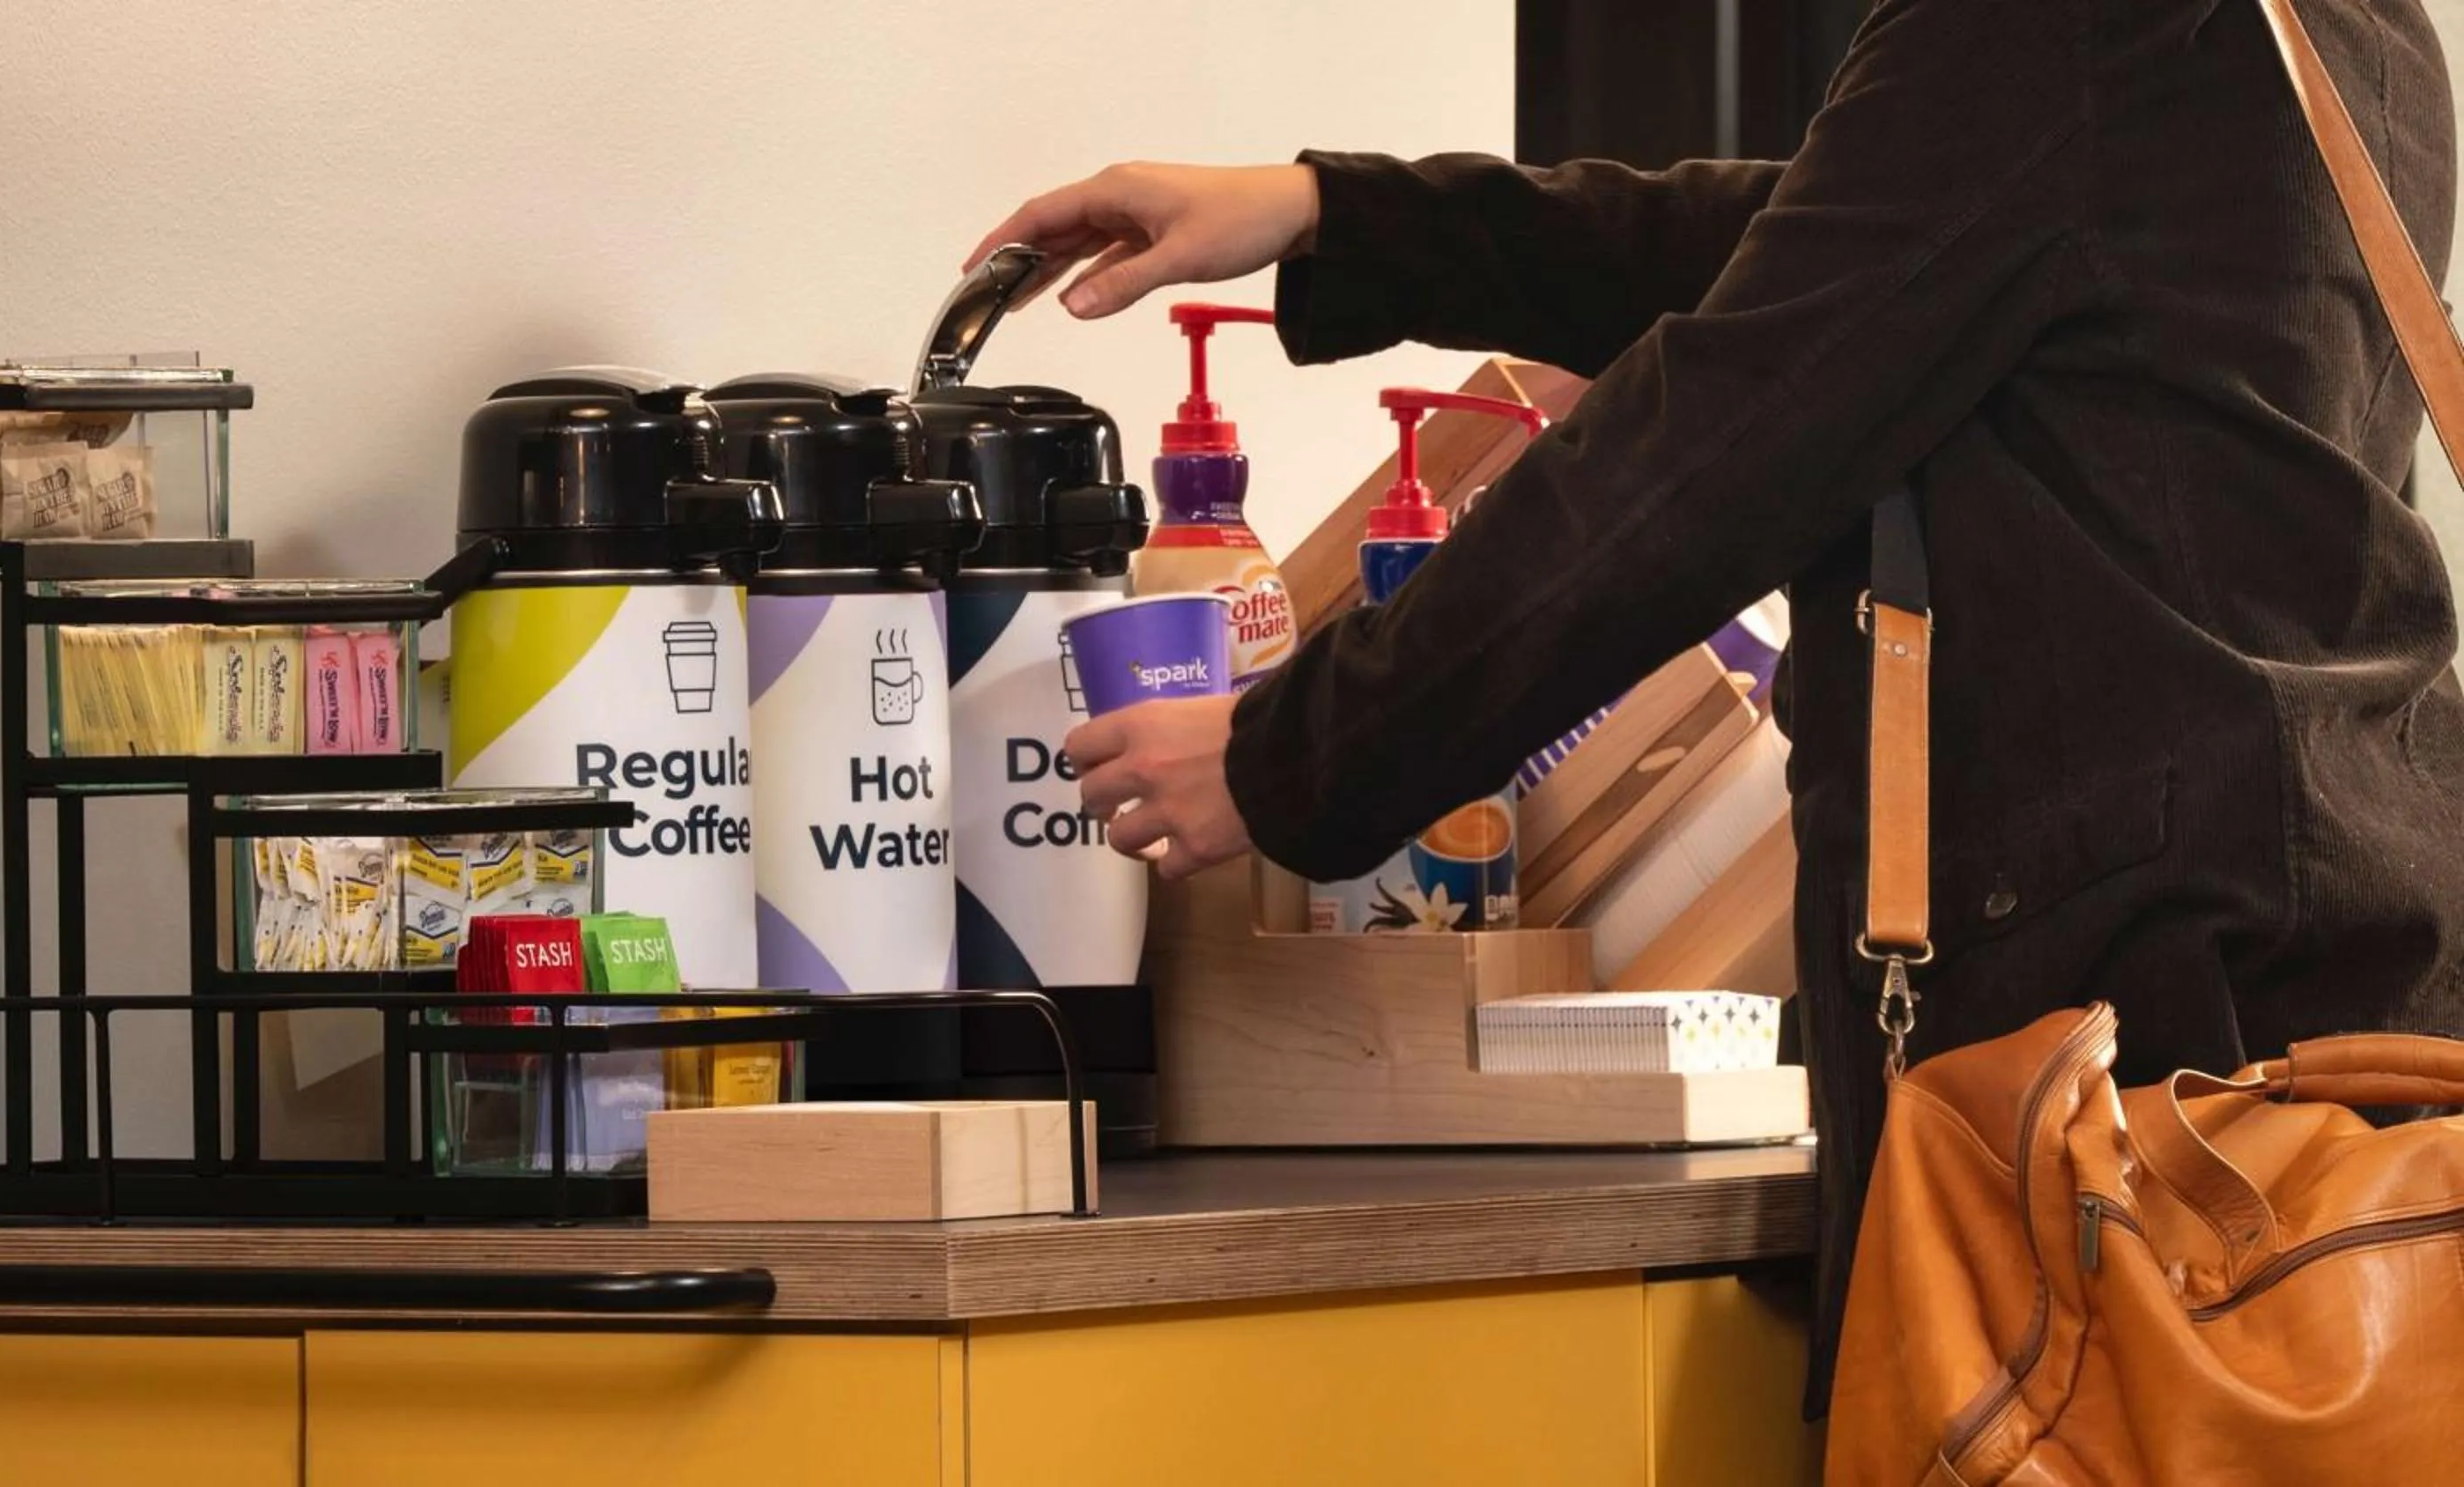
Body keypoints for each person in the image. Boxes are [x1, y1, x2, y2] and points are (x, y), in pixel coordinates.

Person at [968, 0, 2464, 1416]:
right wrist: (1333, 215)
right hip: (2332, 960)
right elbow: (1845, 244)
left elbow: (1727, 434)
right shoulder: (2342, 28)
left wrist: (1291, 753)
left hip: (2108, 1044)